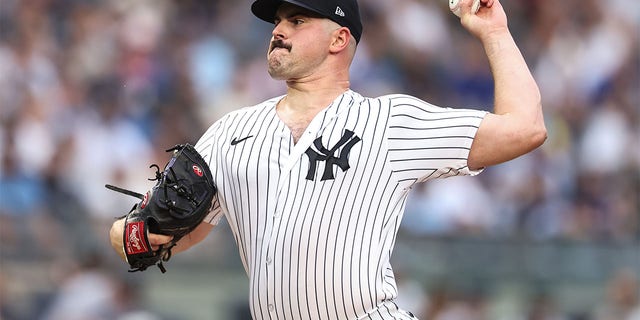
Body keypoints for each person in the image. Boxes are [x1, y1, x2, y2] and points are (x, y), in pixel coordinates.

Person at [109, 0, 547, 319]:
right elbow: (171, 235)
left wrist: (494, 33)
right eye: (278, 20)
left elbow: (525, 128)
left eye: (297, 20)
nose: (279, 29)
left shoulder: (387, 121)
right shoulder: (229, 132)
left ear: (339, 38)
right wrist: (132, 235)